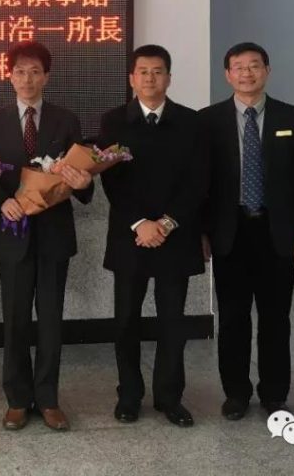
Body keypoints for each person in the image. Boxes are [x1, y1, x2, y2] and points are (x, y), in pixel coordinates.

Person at [200, 42, 294, 419]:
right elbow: (202, 183)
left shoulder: (292, 117)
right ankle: (236, 393)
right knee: (232, 317)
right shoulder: (209, 120)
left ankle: (274, 394)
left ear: (267, 70)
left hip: (277, 232)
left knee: (275, 318)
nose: (246, 73)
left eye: (254, 66)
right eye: (238, 67)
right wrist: (202, 232)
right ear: (227, 75)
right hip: (230, 232)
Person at [0, 41, 93, 432]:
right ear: (9, 76)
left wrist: (83, 182)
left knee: (50, 321)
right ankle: (16, 399)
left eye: (34, 72)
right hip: (12, 234)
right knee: (14, 321)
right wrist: (2, 202)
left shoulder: (66, 121)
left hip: (53, 236)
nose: (26, 79)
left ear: (46, 76)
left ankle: (47, 399)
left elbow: (82, 179)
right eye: (19, 72)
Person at [97, 45, 205, 427]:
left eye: (157, 71)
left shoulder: (191, 122)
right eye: (142, 71)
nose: (150, 78)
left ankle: (169, 397)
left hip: (176, 235)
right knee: (126, 320)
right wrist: (141, 222)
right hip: (131, 236)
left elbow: (198, 180)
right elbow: (112, 180)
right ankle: (129, 395)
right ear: (132, 78)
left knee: (172, 321)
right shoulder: (113, 121)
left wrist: (168, 222)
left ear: (169, 78)